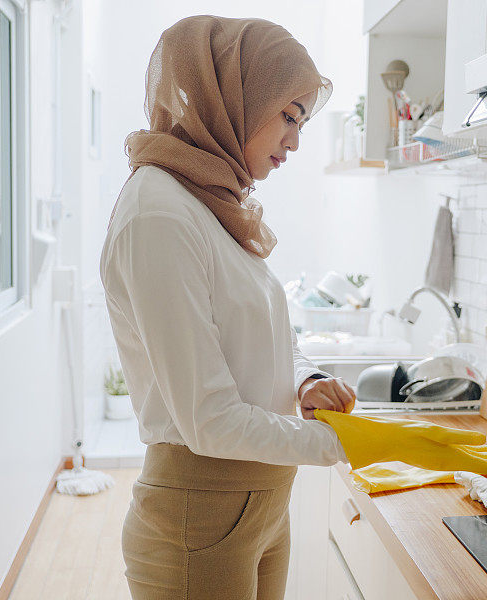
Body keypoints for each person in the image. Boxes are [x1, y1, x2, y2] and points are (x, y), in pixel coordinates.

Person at [100, 15, 353, 599]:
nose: (294, 141)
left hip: (261, 506)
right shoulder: (160, 213)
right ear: (232, 96)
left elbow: (258, 337)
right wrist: (347, 444)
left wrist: (304, 380)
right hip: (202, 514)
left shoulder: (211, 201)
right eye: (288, 116)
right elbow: (209, 420)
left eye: (303, 121)